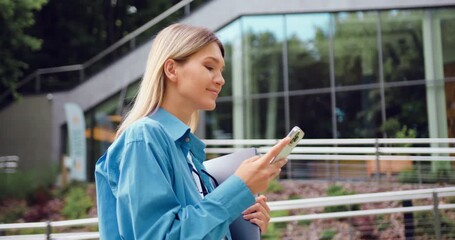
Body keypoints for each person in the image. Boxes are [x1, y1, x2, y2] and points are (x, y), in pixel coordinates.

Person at [95, 23, 290, 240]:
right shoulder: (143, 137)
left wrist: (244, 222)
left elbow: (197, 229)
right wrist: (238, 188)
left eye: (221, 70)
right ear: (171, 69)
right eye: (209, 67)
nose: (220, 79)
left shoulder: (189, 156)